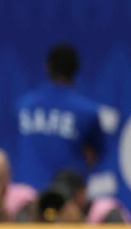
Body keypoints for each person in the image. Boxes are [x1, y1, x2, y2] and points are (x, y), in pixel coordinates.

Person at [15, 44, 107, 190]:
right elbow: (93, 156)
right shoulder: (87, 111)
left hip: (28, 197)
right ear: (76, 70)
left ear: (47, 67)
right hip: (66, 199)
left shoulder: (25, 105)